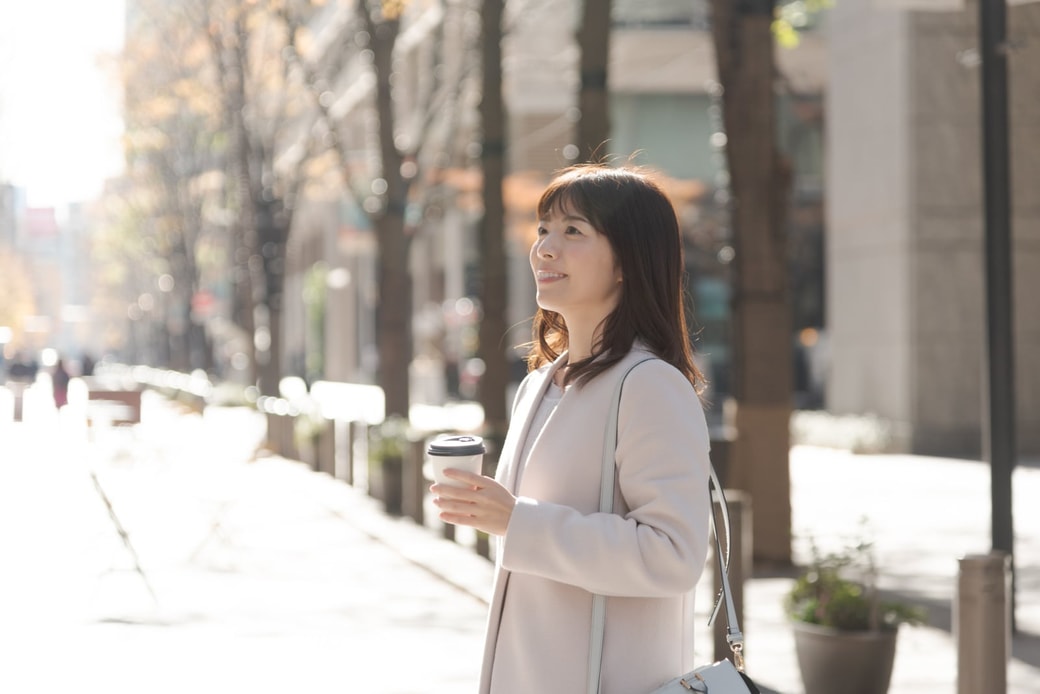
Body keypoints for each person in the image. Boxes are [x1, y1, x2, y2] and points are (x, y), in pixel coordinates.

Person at [431, 164, 712, 693]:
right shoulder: (538, 385)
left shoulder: (649, 385)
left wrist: (518, 521)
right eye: (542, 230)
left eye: (572, 231)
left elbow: (674, 554)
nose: (544, 248)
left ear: (628, 259)